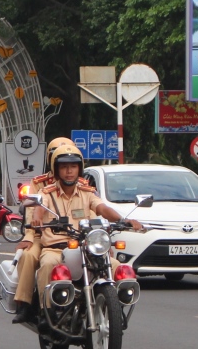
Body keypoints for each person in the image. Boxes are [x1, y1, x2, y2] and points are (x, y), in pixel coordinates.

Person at [34, 144, 141, 323]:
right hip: (56, 248)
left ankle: (115, 307)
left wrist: (123, 220)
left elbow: (102, 208)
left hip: (86, 248)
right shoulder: (47, 192)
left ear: (79, 169)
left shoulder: (87, 192)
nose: (69, 171)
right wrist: (37, 219)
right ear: (56, 169)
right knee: (47, 264)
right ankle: (47, 311)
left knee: (115, 265)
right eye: (64, 167)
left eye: (73, 167)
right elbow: (39, 206)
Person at [12, 136, 85, 323]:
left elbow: (94, 210)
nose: (68, 169)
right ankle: (26, 304)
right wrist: (30, 234)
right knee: (28, 255)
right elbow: (32, 212)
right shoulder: (40, 183)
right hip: (41, 233)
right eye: (60, 161)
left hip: (75, 235)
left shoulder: (82, 185)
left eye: (72, 164)